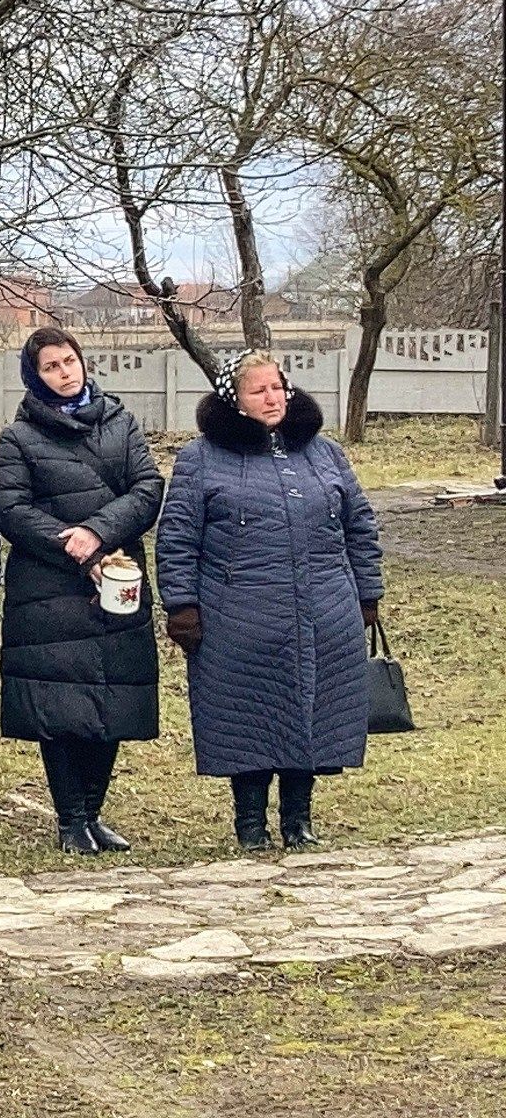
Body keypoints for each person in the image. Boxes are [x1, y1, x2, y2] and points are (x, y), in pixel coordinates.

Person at [155, 350, 383, 850]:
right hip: (238, 617)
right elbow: (176, 539)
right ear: (234, 401)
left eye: (277, 387)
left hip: (325, 609)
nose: (272, 397)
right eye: (258, 390)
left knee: (311, 716)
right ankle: (251, 825)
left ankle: (299, 821)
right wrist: (182, 606)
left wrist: (367, 593)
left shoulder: (325, 454)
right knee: (250, 717)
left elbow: (359, 526)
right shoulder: (200, 459)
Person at [0, 328, 163, 854]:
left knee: (114, 697)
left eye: (70, 362)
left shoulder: (120, 422)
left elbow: (148, 488)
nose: (65, 373)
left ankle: (93, 812)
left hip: (115, 580)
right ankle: (69, 819)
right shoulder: (18, 438)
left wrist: (100, 532)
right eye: (51, 367)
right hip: (49, 587)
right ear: (34, 376)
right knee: (60, 704)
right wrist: (74, 545)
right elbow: (11, 509)